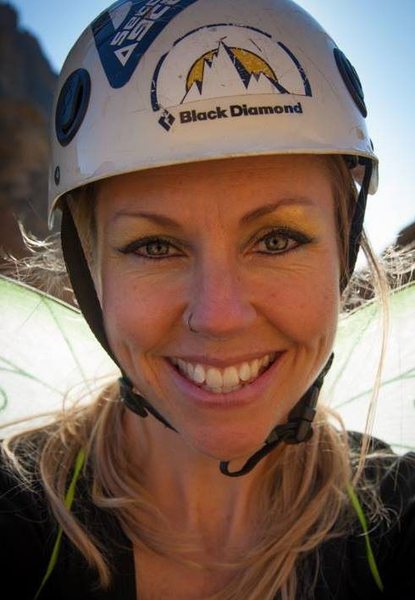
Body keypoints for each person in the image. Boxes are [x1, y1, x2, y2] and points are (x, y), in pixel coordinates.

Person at [0, 1, 414, 598]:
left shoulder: (398, 517)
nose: (218, 317)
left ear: (343, 250)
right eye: (154, 246)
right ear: (89, 268)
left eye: (277, 239)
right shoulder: (14, 517)